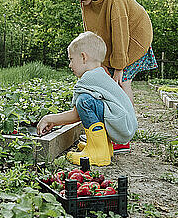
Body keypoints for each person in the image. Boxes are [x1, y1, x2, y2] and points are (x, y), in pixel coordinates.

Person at [63, 0, 157, 152]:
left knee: (121, 82)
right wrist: (100, 63)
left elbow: (121, 34)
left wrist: (119, 67)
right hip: (114, 45)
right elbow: (92, 36)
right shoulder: (87, 2)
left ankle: (123, 135)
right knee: (106, 80)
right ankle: (106, 130)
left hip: (133, 41)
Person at [36, 31, 137, 166]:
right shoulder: (100, 74)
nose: (70, 65)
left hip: (122, 126)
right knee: (90, 102)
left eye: (71, 59)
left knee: (84, 101)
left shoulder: (88, 78)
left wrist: (49, 119)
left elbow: (76, 114)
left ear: (83, 57)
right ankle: (103, 147)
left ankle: (98, 153)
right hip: (125, 125)